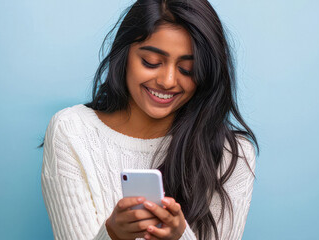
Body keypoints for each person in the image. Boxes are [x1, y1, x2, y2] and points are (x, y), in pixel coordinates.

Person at [39, 0, 258, 239]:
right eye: (151, 62)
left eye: (187, 69)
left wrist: (180, 236)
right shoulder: (71, 131)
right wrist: (112, 234)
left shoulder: (231, 154)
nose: (168, 81)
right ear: (124, 55)